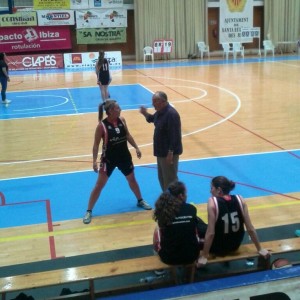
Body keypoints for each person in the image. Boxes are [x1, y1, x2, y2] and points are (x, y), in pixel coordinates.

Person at [83, 99, 151, 224]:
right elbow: (95, 146)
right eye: (117, 108)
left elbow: (128, 135)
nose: (120, 109)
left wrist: (136, 147)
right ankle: (89, 211)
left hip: (124, 157)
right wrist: (94, 161)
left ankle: (140, 200)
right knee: (99, 186)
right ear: (110, 111)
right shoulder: (101, 126)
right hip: (108, 159)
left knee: (132, 179)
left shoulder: (122, 120)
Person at [196, 176, 270, 267]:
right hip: (235, 244)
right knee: (204, 225)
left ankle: (193, 270)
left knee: (195, 223)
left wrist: (204, 256)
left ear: (219, 190)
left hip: (218, 246)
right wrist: (259, 248)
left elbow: (210, 233)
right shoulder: (240, 199)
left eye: (211, 188)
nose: (210, 191)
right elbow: (250, 228)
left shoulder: (212, 202)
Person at [153, 181, 206, 265]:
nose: (186, 195)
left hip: (169, 258)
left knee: (158, 230)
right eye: (186, 193)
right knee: (194, 225)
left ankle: (160, 270)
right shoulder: (191, 208)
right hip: (192, 256)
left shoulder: (163, 211)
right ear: (181, 196)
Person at [140, 91, 182, 192]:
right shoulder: (160, 111)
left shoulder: (171, 114)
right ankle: (167, 200)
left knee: (170, 180)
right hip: (161, 152)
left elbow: (175, 136)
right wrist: (145, 113)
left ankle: (175, 203)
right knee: (162, 178)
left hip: (168, 153)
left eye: (154, 101)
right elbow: (152, 119)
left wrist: (170, 152)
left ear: (162, 101)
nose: (152, 104)